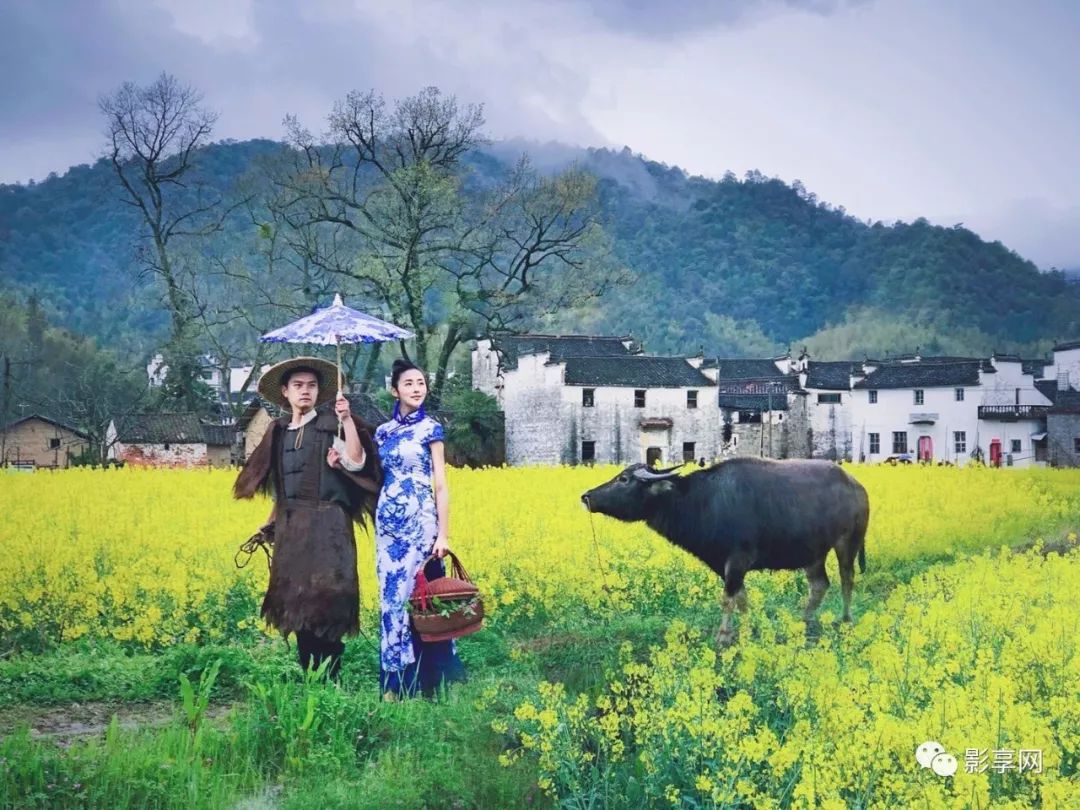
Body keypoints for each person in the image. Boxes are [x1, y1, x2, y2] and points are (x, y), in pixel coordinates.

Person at [234, 357, 381, 679]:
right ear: (285, 392)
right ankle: (310, 677)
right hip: (291, 531)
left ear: (319, 392)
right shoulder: (279, 431)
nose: (305, 391)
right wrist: (271, 522)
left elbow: (357, 462)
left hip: (329, 528)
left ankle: (331, 680)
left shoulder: (334, 424)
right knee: (297, 602)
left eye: (312, 386)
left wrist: (349, 421)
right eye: (298, 386)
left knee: (328, 601)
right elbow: (280, 485)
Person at [374, 358, 465, 699]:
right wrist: (343, 425)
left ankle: (430, 681)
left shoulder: (431, 429)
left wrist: (443, 533)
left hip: (421, 522)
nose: (416, 389)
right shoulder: (383, 432)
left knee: (424, 599)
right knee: (392, 600)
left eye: (421, 383)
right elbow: (366, 470)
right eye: (409, 383)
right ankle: (394, 683)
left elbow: (440, 484)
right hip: (389, 525)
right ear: (394, 389)